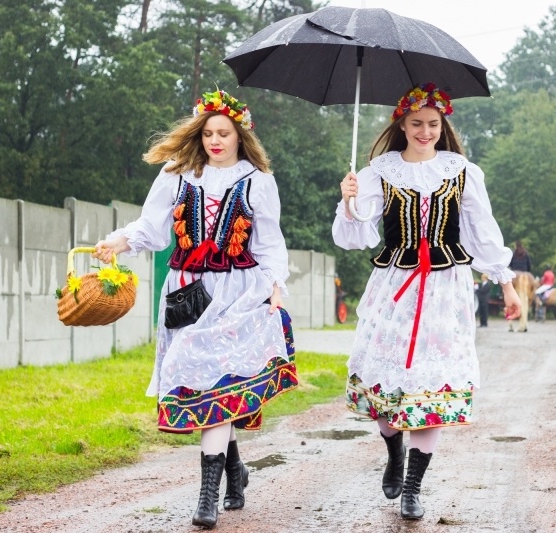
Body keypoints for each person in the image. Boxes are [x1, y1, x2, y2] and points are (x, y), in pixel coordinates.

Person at [92, 89, 297, 529]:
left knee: (220, 380)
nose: (215, 141)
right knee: (196, 379)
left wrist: (275, 288)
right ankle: (235, 469)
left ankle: (208, 496)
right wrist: (116, 243)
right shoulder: (177, 174)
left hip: (238, 291)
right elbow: (151, 228)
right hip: (187, 291)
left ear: (241, 135)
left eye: (223, 133)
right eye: (208, 134)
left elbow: (269, 243)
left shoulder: (258, 180)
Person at [332, 83, 521, 520]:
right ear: (402, 123)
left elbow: (481, 232)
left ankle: (414, 486)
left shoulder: (462, 171)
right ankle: (393, 450)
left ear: (443, 125)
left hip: (445, 290)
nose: (425, 131)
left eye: (433, 124)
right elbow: (358, 236)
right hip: (393, 286)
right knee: (385, 385)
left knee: (432, 383)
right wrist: (349, 201)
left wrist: (505, 283)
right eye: (416, 123)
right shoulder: (379, 170)